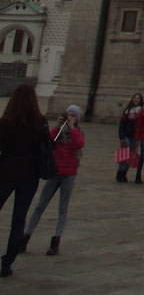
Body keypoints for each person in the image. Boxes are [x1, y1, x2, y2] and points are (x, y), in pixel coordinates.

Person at [0, 84, 51, 278]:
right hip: (29, 174)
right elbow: (46, 148)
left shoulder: (5, 122)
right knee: (18, 219)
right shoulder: (40, 122)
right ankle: (7, 262)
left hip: (5, 169)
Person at [22, 105, 84, 257]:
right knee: (40, 205)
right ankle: (25, 237)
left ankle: (55, 241)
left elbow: (79, 144)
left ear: (77, 118)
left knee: (62, 209)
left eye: (72, 115)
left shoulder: (78, 132)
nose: (69, 117)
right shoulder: (59, 131)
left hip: (69, 174)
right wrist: (57, 126)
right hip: (55, 172)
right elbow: (49, 142)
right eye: (68, 114)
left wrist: (72, 127)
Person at [116, 92, 142, 183]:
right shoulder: (127, 111)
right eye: (135, 98)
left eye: (138, 98)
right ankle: (119, 174)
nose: (136, 100)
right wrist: (121, 136)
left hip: (135, 137)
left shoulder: (141, 111)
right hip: (126, 136)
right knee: (123, 156)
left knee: (130, 156)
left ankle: (123, 174)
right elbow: (122, 125)